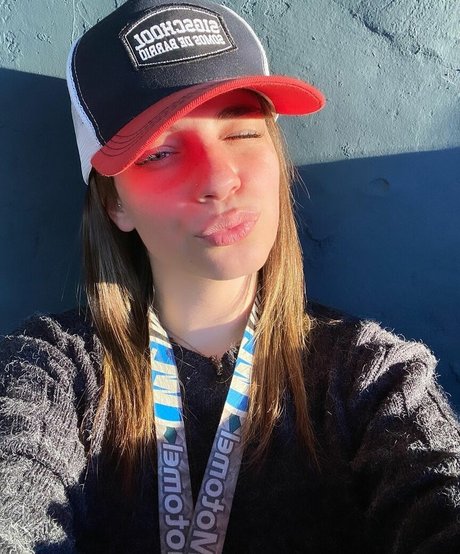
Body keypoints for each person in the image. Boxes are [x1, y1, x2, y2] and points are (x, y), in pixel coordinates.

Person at [1, 0, 460, 552]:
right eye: (159, 152)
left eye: (241, 132)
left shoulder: (371, 375)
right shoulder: (55, 372)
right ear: (114, 204)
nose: (219, 179)